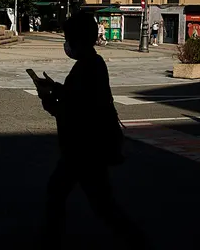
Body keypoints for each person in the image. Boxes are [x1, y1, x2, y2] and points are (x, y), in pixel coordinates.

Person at [34, 13, 150, 249]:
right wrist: (55, 87)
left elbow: (78, 109)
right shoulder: (92, 63)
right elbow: (77, 96)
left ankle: (137, 241)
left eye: (68, 38)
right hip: (86, 147)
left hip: (84, 148)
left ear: (78, 40)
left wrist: (49, 101)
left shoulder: (87, 67)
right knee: (88, 198)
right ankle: (135, 240)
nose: (66, 44)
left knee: (91, 200)